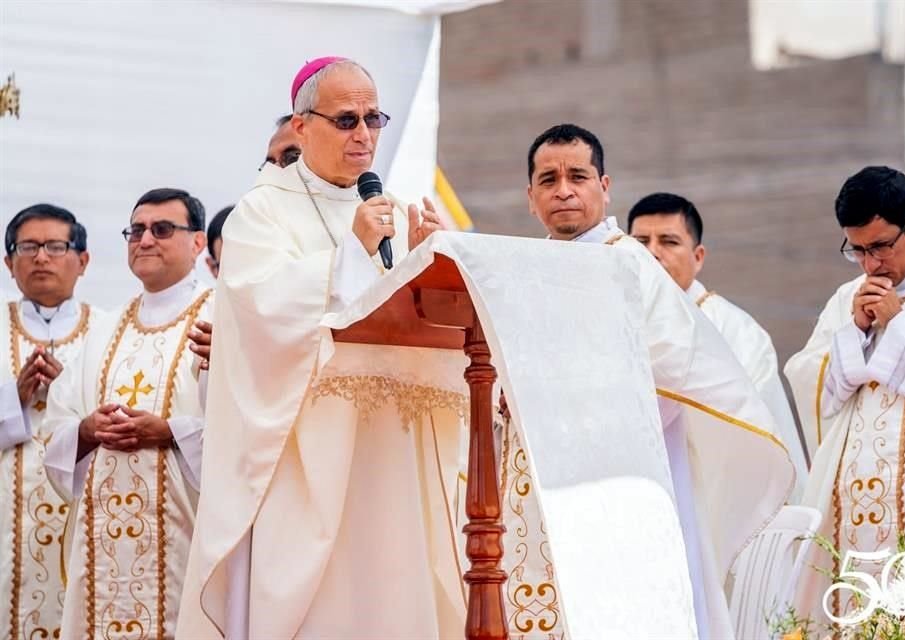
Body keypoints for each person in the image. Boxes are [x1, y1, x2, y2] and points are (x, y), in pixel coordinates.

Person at [176, 56, 443, 639]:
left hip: (386, 446)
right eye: (347, 119)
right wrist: (350, 253)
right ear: (302, 127)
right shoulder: (260, 211)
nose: (365, 135)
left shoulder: (390, 209)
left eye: (375, 119)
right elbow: (258, 317)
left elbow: (413, 326)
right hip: (304, 453)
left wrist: (428, 267)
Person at [500, 123, 794, 639]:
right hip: (541, 483)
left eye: (578, 176)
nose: (563, 190)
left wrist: (580, 418)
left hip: (621, 481)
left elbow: (684, 376)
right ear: (530, 197)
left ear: (604, 187)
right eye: (548, 179)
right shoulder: (523, 269)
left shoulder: (632, 266)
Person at [785, 166, 905, 620]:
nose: (871, 264)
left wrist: (898, 324)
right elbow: (808, 379)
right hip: (846, 502)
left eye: (881, 245)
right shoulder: (846, 298)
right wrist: (855, 334)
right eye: (858, 250)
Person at [43, 188, 212, 639]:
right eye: (135, 230)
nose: (145, 240)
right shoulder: (105, 326)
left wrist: (171, 431)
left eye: (162, 229)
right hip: (99, 543)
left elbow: (247, 426)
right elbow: (58, 420)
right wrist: (85, 429)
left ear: (197, 243)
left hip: (185, 534)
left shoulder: (220, 317)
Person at [627, 192, 808, 498]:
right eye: (641, 242)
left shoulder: (737, 331)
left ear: (698, 258)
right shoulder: (617, 317)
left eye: (668, 242)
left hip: (713, 492)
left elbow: (751, 430)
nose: (652, 253)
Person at [0, 204, 104, 639]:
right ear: (8, 262)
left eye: (56, 246)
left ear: (82, 260)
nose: (41, 257)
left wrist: (68, 398)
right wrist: (14, 399)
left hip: (86, 519)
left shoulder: (111, 331)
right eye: (28, 247)